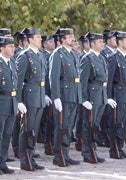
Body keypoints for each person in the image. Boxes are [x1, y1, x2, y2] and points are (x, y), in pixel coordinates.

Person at [80, 32, 117, 163]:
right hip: (92, 95)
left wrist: (106, 96)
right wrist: (84, 99)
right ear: (92, 43)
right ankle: (87, 152)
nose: (102, 43)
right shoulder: (87, 58)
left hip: (101, 94)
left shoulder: (101, 57)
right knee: (88, 125)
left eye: (102, 41)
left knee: (95, 125)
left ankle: (93, 149)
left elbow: (104, 80)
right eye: (99, 42)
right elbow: (83, 81)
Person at [16, 28, 49, 171]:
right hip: (29, 96)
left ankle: (31, 156)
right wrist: (18, 101)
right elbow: (18, 81)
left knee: (34, 130)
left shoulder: (41, 55)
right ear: (29, 40)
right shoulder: (24, 56)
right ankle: (24, 160)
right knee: (27, 129)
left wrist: (46, 94)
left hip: (40, 95)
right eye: (37, 37)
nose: (40, 39)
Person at [49, 28, 82, 166]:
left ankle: (66, 153)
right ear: (62, 39)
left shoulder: (73, 54)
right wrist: (56, 97)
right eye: (69, 36)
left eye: (73, 36)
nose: (73, 38)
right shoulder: (58, 54)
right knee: (61, 126)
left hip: (74, 94)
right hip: (64, 94)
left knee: (69, 126)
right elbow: (53, 77)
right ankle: (58, 155)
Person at [107, 31, 126, 159]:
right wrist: (109, 97)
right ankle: (114, 148)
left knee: (124, 122)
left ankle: (120, 147)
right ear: (120, 42)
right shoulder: (114, 57)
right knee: (117, 123)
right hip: (118, 93)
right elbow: (109, 79)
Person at [96, 29, 117, 147]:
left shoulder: (113, 53)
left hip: (114, 87)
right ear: (107, 41)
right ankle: (102, 136)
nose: (116, 41)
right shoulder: (104, 53)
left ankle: (107, 136)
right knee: (105, 115)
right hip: (105, 87)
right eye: (113, 39)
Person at [0, 36, 17, 174]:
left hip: (11, 103)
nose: (13, 48)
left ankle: (2, 162)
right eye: (10, 46)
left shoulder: (11, 63)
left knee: (7, 135)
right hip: (1, 103)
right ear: (2, 48)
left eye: (13, 46)